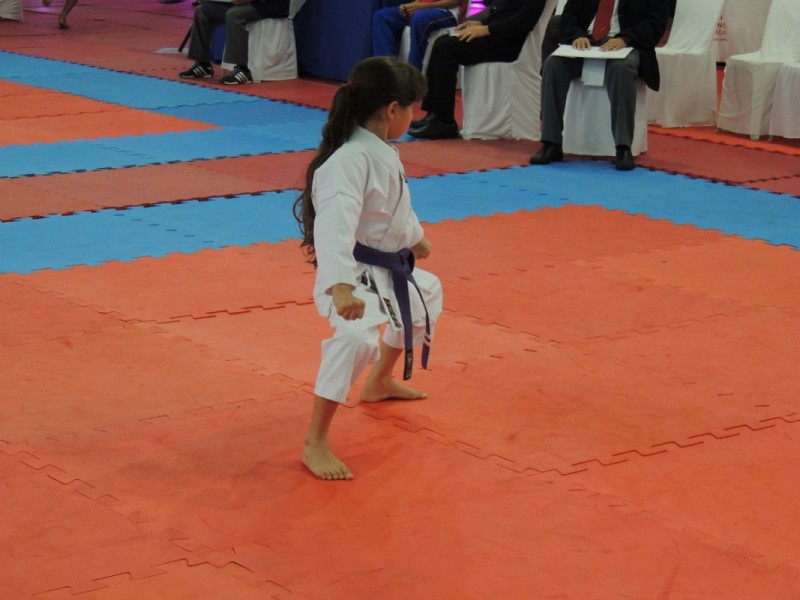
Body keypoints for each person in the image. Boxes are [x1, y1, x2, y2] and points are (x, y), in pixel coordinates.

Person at [293, 57, 443, 481]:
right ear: (393, 110)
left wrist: (415, 236)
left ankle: (378, 382)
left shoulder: (382, 152)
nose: (414, 116)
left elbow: (393, 206)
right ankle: (315, 440)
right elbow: (335, 225)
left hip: (386, 265)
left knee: (427, 293)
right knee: (356, 338)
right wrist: (340, 286)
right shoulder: (349, 160)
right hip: (354, 270)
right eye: (412, 108)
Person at [529, 0, 669, 170]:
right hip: (586, 43)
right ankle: (551, 143)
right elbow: (568, 17)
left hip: (627, 43)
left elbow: (655, 23)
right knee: (553, 65)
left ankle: (623, 147)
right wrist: (577, 35)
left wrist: (626, 38)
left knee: (621, 68)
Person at [409, 0, 549, 140]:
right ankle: (434, 115)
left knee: (445, 48)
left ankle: (444, 122)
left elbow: (524, 21)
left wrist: (486, 29)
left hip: (507, 43)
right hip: (497, 34)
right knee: (442, 42)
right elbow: (504, 10)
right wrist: (480, 23)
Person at [179, 0, 289, 85]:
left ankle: (242, 69)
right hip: (239, 3)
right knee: (202, 11)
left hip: (268, 5)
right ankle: (203, 64)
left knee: (234, 15)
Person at [372, 1, 462, 72]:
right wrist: (410, 6)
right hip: (425, 8)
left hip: (449, 11)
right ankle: (387, 70)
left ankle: (413, 74)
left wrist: (423, 7)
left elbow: (456, 1)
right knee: (382, 16)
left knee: (419, 18)